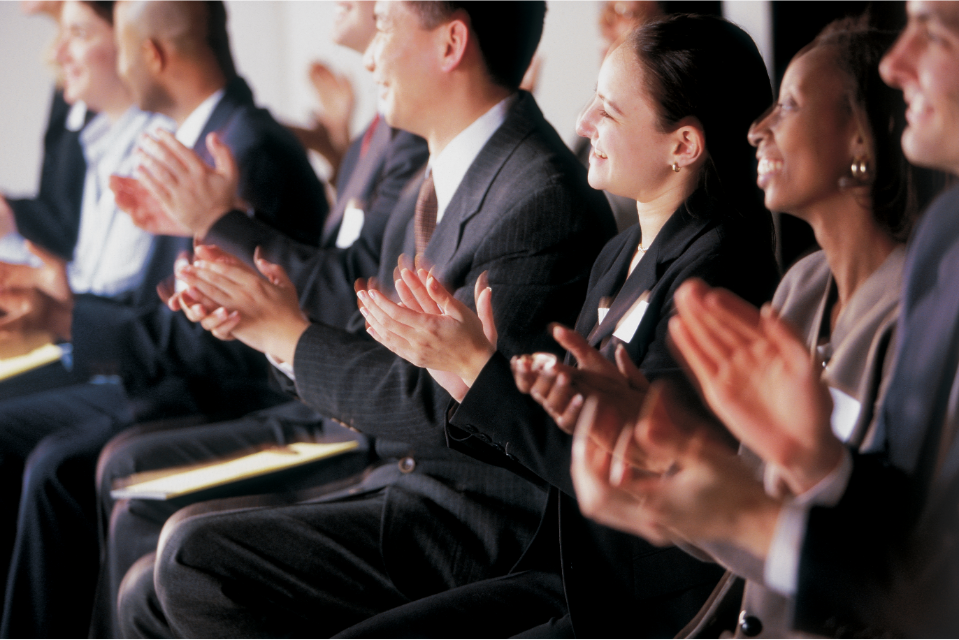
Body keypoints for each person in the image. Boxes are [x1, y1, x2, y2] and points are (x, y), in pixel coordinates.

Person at [115, 2, 616, 637]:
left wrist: (287, 335)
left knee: (191, 558)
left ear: (450, 43)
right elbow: (371, 336)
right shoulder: (434, 177)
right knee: (146, 589)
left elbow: (444, 406)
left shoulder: (539, 197)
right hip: (397, 475)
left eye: (383, 27)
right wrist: (266, 326)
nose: (370, 55)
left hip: (471, 519)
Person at [352, 14, 779, 637]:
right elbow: (558, 435)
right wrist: (459, 373)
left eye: (608, 110)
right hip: (568, 569)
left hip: (634, 604)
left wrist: (479, 371)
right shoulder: (619, 252)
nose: (583, 124)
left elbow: (628, 471)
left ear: (683, 145)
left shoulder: (717, 274)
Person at [570, 1, 959, 636]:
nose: (757, 129)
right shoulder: (805, 287)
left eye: (793, 106)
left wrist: (803, 474)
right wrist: (658, 462)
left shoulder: (915, 287)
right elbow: (746, 519)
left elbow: (906, 575)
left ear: (860, 138)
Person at [89, 1, 428, 633]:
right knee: (122, 478)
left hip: (345, 416)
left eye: (384, 16)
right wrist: (222, 233)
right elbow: (341, 265)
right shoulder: (372, 140)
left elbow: (353, 287)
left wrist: (223, 225)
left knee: (136, 504)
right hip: (313, 389)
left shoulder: (406, 141)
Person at [0, 2, 330, 637]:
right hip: (176, 377)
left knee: (56, 468)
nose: (121, 68)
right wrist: (65, 311)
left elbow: (235, 343)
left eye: (121, 50)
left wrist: (68, 319)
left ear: (150, 56)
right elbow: (171, 309)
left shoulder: (244, 147)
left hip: (219, 395)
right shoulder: (209, 138)